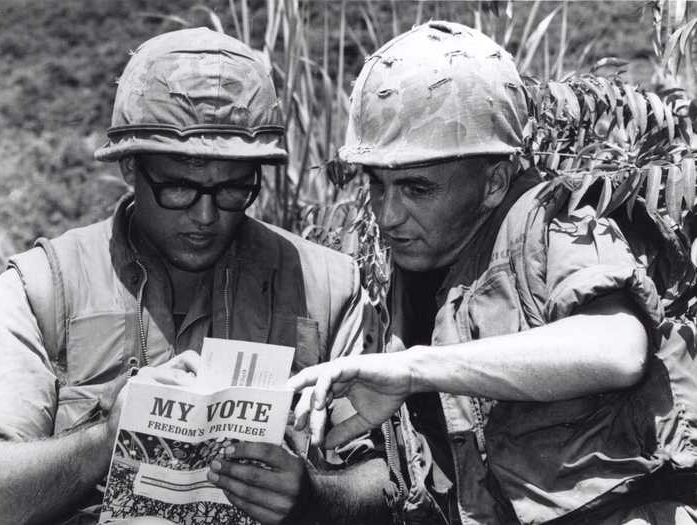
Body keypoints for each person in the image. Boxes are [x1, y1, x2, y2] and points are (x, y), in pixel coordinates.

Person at [290, 21, 697, 525]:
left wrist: (415, 368)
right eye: (376, 184)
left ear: (493, 181)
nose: (387, 214)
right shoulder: (409, 278)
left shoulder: (553, 220)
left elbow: (618, 349)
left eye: (417, 189)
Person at [0, 28, 391, 525]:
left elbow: (391, 483)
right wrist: (102, 442)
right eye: (180, 188)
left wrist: (314, 497)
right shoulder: (42, 288)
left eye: (232, 189)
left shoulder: (326, 287)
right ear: (130, 168)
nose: (206, 216)